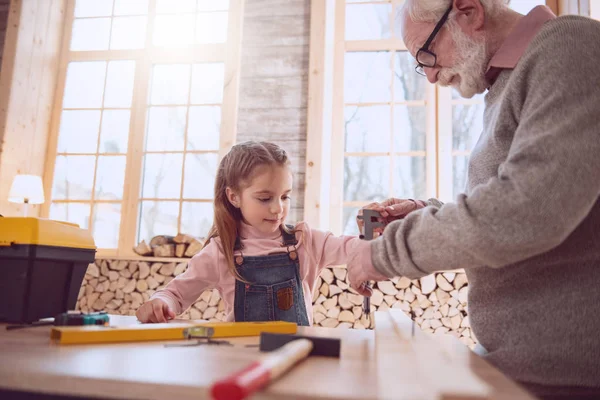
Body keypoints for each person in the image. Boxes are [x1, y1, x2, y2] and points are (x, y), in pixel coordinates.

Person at [347, 0, 600, 398]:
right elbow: (509, 203)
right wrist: (424, 213)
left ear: (468, 12)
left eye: (427, 55)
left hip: (568, 380)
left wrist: (382, 254)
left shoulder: (569, 47)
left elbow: (528, 211)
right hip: (522, 366)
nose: (430, 76)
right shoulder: (506, 84)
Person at [136, 141, 364, 327]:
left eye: (285, 196)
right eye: (265, 198)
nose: (278, 208)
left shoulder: (307, 241)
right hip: (241, 362)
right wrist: (160, 302)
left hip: (296, 362)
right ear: (234, 197)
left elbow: (353, 249)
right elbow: (175, 294)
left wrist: (375, 235)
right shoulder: (220, 252)